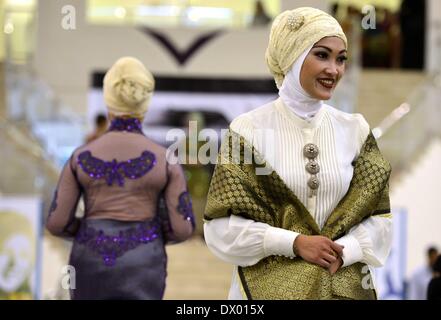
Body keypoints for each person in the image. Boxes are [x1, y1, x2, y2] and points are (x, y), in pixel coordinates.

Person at [204, 7, 392, 300]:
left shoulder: (354, 130)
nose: (334, 69)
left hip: (339, 288)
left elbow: (380, 220)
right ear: (292, 55)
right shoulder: (248, 130)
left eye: (341, 58)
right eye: (322, 55)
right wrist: (293, 243)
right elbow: (220, 227)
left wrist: (344, 252)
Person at [46, 57, 195, 300]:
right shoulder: (165, 160)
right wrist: (150, 235)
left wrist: (87, 230)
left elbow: (56, 223)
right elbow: (182, 228)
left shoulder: (80, 157)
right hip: (144, 259)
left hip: (90, 256)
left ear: (108, 103)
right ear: (145, 106)